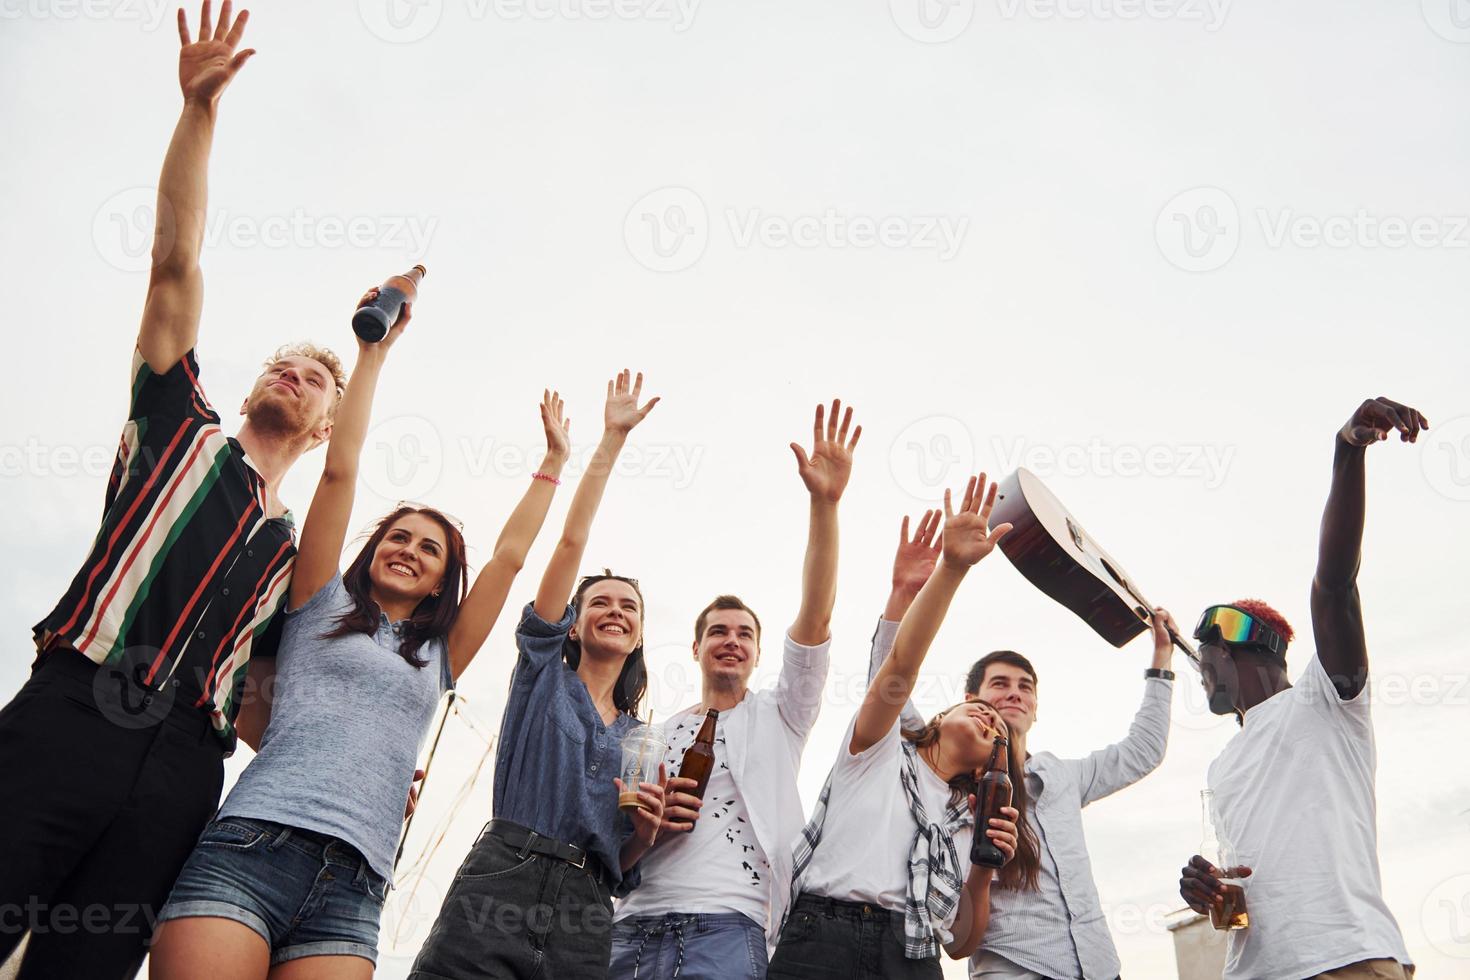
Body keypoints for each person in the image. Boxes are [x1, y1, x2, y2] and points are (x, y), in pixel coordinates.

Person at [0, 5, 347, 976]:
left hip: (185, 770)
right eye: (285, 364)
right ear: (249, 386)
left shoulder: (294, 553)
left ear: (325, 429)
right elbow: (173, 263)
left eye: (316, 379)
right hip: (75, 708)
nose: (296, 376)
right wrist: (198, 113)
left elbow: (260, 707)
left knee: (86, 967)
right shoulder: (175, 426)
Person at [149, 286, 573, 979]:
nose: (407, 548)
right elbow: (340, 471)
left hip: (354, 887)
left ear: (442, 579)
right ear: (371, 550)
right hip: (252, 845)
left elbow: (510, 558)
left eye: (428, 548)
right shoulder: (316, 603)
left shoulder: (442, 655)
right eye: (396, 536)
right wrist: (370, 355)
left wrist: (553, 463)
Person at [409, 370, 668, 980]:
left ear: (637, 637)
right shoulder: (542, 672)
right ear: (572, 626)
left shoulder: (641, 738)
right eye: (599, 602)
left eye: (628, 607)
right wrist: (610, 442)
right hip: (503, 878)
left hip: (586, 906)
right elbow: (571, 542)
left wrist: (647, 833)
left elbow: (624, 854)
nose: (614, 610)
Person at [867, 508, 1179, 980]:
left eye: (1025, 686)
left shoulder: (1063, 776)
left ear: (1035, 708)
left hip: (1098, 967)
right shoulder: (944, 770)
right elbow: (887, 688)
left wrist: (1160, 660)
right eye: (999, 683)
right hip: (1013, 968)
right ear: (970, 699)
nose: (1014, 692)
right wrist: (904, 595)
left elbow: (1143, 750)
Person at [609, 401, 862, 979]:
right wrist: (646, 830)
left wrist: (825, 505)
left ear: (757, 653)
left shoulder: (782, 715)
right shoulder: (650, 734)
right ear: (695, 649)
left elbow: (816, 618)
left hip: (728, 924)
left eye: (744, 634)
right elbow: (617, 844)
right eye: (717, 632)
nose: (731, 641)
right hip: (632, 926)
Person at [1178, 397, 1426, 980]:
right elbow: (1248, 890)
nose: (1202, 667)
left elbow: (1334, 584)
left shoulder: (1326, 701)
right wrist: (1206, 890)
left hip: (1346, 959)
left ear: (1248, 647)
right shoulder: (1223, 767)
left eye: (1209, 651)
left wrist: (1348, 451)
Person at [769, 475, 1031, 979]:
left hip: (912, 956)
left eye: (999, 730)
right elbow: (899, 666)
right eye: (977, 706)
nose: (989, 716)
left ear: (989, 768)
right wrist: (950, 570)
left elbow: (960, 943)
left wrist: (983, 867)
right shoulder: (879, 749)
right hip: (821, 937)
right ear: (938, 717)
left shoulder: (966, 817)